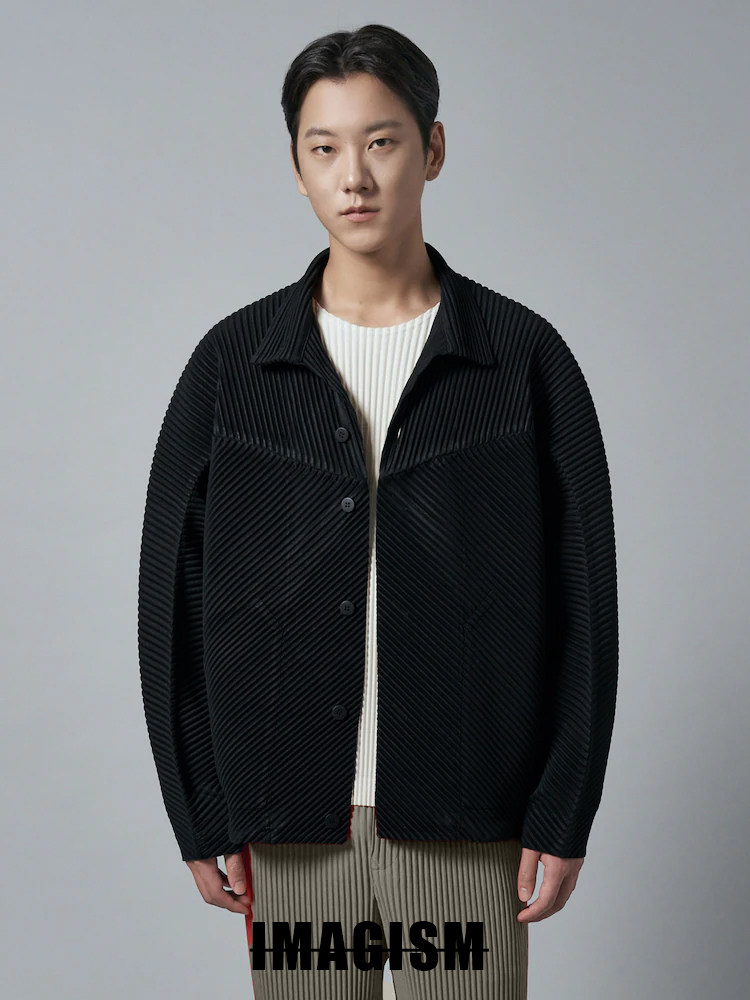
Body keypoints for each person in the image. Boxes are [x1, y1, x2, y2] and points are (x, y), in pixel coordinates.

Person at [137, 22, 618, 1000]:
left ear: (432, 150)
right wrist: (199, 809)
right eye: (324, 149)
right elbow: (169, 603)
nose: (353, 176)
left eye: (382, 142)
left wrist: (563, 808)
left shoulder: (523, 359)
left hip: (468, 828)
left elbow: (586, 608)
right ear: (297, 168)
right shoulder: (233, 367)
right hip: (292, 836)